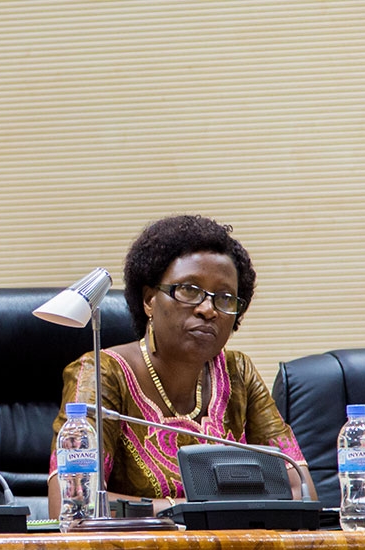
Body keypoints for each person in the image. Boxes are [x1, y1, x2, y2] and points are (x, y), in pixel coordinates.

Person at [47, 214, 317, 518]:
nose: (208, 309)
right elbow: (72, 503)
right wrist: (189, 511)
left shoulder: (237, 372)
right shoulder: (102, 374)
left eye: (226, 298)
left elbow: (301, 492)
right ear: (149, 300)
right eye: (189, 290)